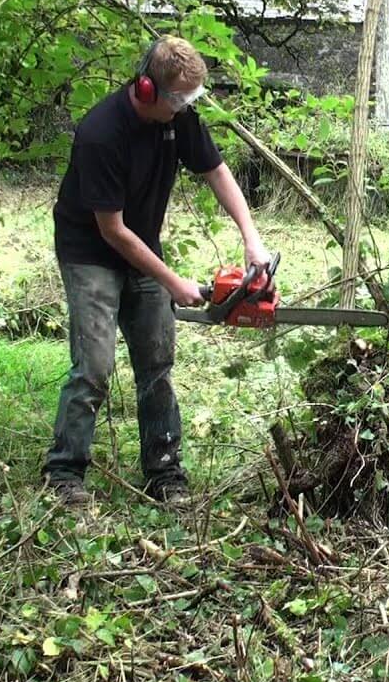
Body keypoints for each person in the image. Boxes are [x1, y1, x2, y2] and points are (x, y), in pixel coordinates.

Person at [43, 35, 270, 506]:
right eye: (179, 99)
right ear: (147, 89)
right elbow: (112, 230)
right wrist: (172, 281)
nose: (186, 108)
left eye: (191, 99)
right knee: (94, 367)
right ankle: (64, 472)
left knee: (157, 363)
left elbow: (216, 171)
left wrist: (251, 238)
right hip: (91, 252)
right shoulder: (101, 132)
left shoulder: (178, 118)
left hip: (142, 246)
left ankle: (165, 473)